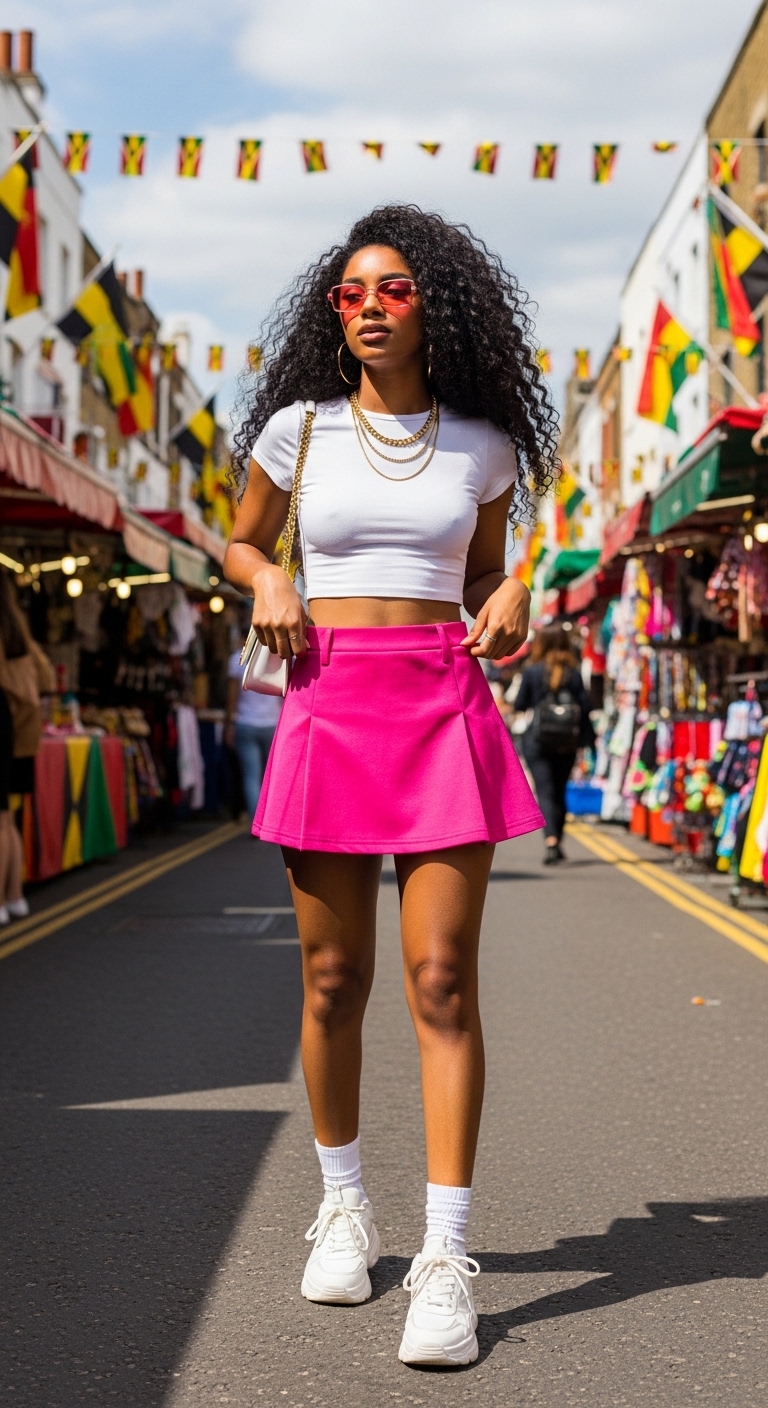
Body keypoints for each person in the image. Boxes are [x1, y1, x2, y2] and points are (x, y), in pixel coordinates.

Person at [224, 205, 558, 1367]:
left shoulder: (482, 443)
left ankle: (445, 1258)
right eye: (351, 292)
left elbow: (485, 574)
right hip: (327, 694)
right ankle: (344, 1203)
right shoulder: (297, 431)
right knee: (331, 977)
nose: (369, 305)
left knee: (439, 978)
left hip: (437, 702)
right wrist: (267, 571)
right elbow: (239, 543)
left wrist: (510, 594)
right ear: (335, 311)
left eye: (394, 289)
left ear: (436, 305)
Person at [0, 571, 55, 925]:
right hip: (17, 731)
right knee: (6, 818)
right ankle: (14, 897)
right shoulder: (17, 629)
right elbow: (48, 677)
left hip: (2, 720)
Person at [514, 624, 593, 864]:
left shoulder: (532, 671)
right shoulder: (574, 672)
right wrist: (587, 741)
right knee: (559, 791)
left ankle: (551, 840)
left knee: (545, 791)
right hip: (567, 742)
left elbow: (520, 703)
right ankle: (557, 838)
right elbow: (586, 708)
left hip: (538, 740)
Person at [225, 646, 282, 819]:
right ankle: (273, 820)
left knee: (251, 776)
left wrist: (229, 724)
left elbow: (232, 697)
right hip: (272, 723)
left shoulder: (237, 658)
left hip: (246, 722)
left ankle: (256, 821)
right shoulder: (279, 656)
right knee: (272, 775)